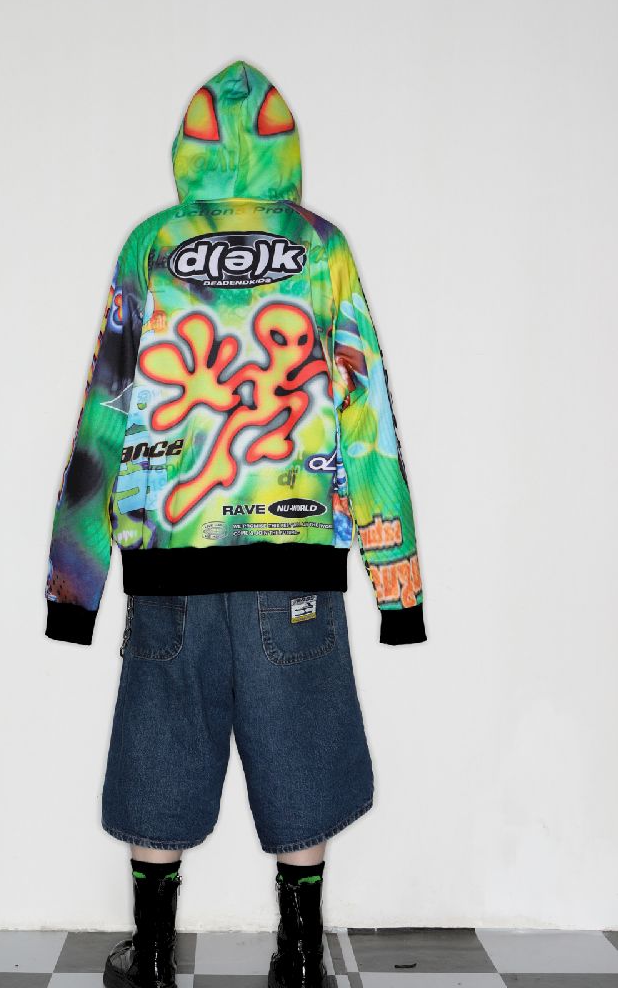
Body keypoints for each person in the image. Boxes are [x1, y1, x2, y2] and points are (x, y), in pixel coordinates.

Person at [44, 59, 426, 988]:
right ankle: (300, 952)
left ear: (190, 151)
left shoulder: (150, 246)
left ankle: (153, 954)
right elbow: (369, 419)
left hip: (170, 568)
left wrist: (72, 589)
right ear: (287, 152)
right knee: (302, 750)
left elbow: (105, 411)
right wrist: (399, 587)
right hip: (295, 569)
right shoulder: (324, 248)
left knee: (159, 750)